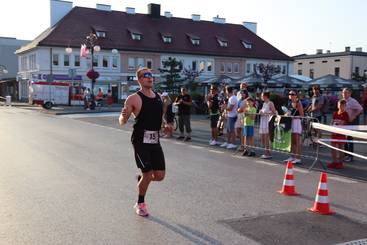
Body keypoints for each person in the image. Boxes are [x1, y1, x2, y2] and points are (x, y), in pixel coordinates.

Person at [119, 67, 166, 217]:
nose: (150, 78)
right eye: (146, 76)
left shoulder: (158, 97)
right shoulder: (133, 98)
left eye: (151, 75)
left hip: (155, 141)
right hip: (140, 141)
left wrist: (164, 125)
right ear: (139, 79)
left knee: (159, 176)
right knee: (148, 173)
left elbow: (159, 117)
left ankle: (142, 180)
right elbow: (122, 121)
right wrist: (124, 116)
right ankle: (140, 204)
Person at [342, 88, 363, 162]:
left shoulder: (353, 101)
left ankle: (350, 156)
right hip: (344, 122)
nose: (344, 94)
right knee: (344, 139)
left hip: (350, 122)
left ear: (350, 93)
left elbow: (360, 109)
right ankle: (345, 155)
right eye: (343, 93)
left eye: (346, 93)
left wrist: (353, 116)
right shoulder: (343, 101)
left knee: (349, 139)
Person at [327, 99, 349, 169]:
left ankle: (340, 163)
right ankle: (334, 162)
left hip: (341, 134)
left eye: (343, 105)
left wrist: (337, 129)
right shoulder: (335, 113)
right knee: (333, 148)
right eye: (340, 105)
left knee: (340, 148)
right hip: (333, 134)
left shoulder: (345, 114)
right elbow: (332, 122)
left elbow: (343, 123)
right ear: (337, 105)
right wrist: (331, 128)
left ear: (345, 106)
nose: (341, 106)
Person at [284, 90, 304, 164]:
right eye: (289, 94)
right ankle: (292, 156)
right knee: (292, 141)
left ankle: (298, 158)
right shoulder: (290, 103)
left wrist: (294, 117)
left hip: (297, 122)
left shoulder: (298, 103)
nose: (291, 95)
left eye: (292, 94)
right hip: (291, 123)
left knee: (297, 141)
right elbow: (288, 112)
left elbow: (302, 115)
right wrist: (286, 114)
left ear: (296, 95)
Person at [259, 92, 277, 159]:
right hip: (263, 121)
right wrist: (261, 112)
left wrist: (266, 113)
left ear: (265, 96)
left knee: (266, 138)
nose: (261, 97)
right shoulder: (264, 103)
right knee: (263, 138)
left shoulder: (270, 103)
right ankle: (267, 152)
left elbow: (274, 112)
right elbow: (263, 111)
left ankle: (267, 153)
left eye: (262, 96)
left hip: (267, 121)